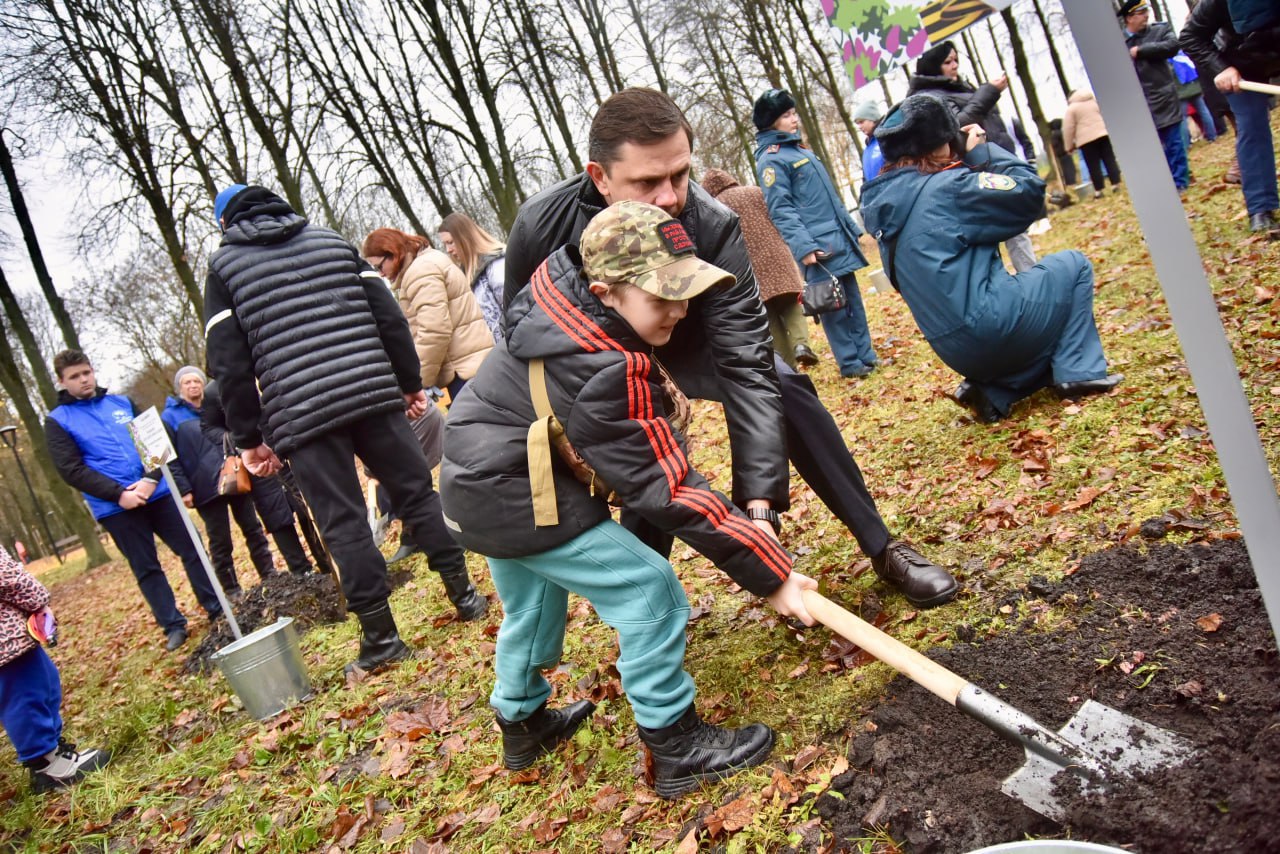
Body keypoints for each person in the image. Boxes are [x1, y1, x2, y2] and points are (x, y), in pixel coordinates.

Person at [504, 88, 957, 609]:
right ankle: (648, 607)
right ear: (599, 176)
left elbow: (747, 362)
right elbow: (525, 335)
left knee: (784, 383)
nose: (671, 197)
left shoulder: (713, 222)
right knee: (642, 448)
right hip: (599, 353)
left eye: (679, 174)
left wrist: (758, 509)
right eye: (647, 182)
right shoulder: (540, 225)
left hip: (689, 334)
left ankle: (881, 545)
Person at [441, 200, 818, 798]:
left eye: (683, 290)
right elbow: (665, 487)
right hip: (511, 488)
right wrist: (771, 572)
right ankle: (675, 743)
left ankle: (521, 722)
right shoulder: (598, 364)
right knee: (649, 589)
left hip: (476, 487)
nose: (677, 309)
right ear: (606, 291)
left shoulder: (563, 310)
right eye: (660, 296)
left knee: (534, 604)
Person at [204, 184, 487, 677]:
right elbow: (389, 318)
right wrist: (406, 382)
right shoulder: (330, 241)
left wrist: (248, 439)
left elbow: (229, 365)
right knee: (418, 493)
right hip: (374, 393)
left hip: (303, 413)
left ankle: (382, 638)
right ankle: (466, 598)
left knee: (344, 522)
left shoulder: (225, 268)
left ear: (225, 223)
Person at [862, 94, 1122, 423]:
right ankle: (1078, 371)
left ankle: (995, 390)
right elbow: (1028, 193)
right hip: (993, 329)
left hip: (952, 350)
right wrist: (980, 152)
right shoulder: (948, 188)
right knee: (1072, 266)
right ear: (939, 145)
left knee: (1021, 317)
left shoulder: (886, 213)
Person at [44, 350, 221, 652]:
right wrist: (120, 494)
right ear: (62, 382)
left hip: (159, 493)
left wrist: (151, 480)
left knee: (192, 547)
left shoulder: (122, 403)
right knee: (146, 567)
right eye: (74, 376)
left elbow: (154, 442)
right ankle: (173, 625)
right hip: (115, 507)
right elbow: (71, 469)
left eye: (86, 372)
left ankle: (215, 606)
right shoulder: (57, 421)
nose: (83, 379)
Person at [753, 89, 878, 379]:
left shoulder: (798, 150)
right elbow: (781, 208)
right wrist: (804, 247)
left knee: (854, 302)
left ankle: (867, 356)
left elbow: (828, 198)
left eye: (793, 113)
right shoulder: (771, 160)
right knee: (833, 307)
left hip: (835, 238)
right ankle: (851, 364)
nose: (794, 119)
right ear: (771, 122)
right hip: (817, 247)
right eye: (786, 115)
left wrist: (850, 228)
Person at [907, 40, 1039, 273]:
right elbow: (957, 125)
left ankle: (1031, 279)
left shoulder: (958, 87)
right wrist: (989, 92)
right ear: (933, 66)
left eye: (956, 59)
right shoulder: (930, 97)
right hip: (971, 168)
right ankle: (1016, 283)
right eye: (948, 62)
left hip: (989, 160)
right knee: (994, 232)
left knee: (1015, 227)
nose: (954, 65)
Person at [0, 544, 110, 793]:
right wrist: (38, 601)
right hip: (6, 643)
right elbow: (7, 577)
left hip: (9, 637)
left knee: (42, 683)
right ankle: (48, 765)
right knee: (26, 696)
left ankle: (50, 753)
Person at [162, 366, 277, 594]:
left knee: (253, 528)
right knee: (220, 540)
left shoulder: (215, 406)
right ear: (179, 387)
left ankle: (269, 574)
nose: (193, 385)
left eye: (197, 381)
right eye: (187, 382)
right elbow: (169, 459)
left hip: (235, 475)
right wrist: (183, 488)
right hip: (203, 486)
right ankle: (231, 589)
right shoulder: (169, 417)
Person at [199, 379, 323, 575]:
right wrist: (237, 439)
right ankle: (301, 572)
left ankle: (325, 561)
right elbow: (209, 427)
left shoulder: (264, 370)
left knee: (304, 506)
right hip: (256, 461)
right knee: (276, 516)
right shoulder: (215, 390)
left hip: (286, 448)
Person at [699, 168, 817, 369]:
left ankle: (789, 367)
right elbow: (780, 219)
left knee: (769, 318)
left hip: (747, 268)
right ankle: (801, 345)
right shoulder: (756, 192)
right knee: (791, 304)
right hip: (777, 257)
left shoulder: (714, 207)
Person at [1181, 0, 1280, 237]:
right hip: (1242, 62)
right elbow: (1190, 36)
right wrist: (1221, 68)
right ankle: (1261, 209)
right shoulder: (1217, 3)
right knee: (1252, 127)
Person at [361, 227, 494, 403]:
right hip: (475, 366)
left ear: (393, 253)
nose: (381, 274)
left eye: (380, 266)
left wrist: (418, 381)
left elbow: (434, 331)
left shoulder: (420, 272)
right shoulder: (429, 262)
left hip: (466, 372)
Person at [1117, 0, 1191, 191]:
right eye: (1141, 13)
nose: (1146, 16)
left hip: (1163, 94)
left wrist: (1141, 51)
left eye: (1146, 11)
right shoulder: (1119, 43)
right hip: (1140, 102)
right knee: (1154, 148)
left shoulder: (1159, 30)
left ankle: (1180, 182)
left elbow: (1173, 45)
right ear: (1129, 18)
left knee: (1174, 142)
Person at [438, 212, 507, 342]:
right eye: (445, 245)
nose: (448, 250)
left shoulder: (496, 265)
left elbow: (516, 308)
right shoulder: (463, 276)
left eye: (451, 242)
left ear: (465, 237)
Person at [1061, 91, 1123, 197]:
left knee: (1093, 166)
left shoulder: (1072, 109)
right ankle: (1115, 184)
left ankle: (1099, 191)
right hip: (1103, 134)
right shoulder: (1094, 102)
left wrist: (1069, 146)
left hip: (1086, 141)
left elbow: (1068, 129)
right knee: (1109, 159)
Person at [853, 100, 886, 182]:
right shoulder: (866, 151)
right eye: (858, 124)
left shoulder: (887, 139)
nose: (859, 127)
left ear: (872, 119)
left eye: (861, 122)